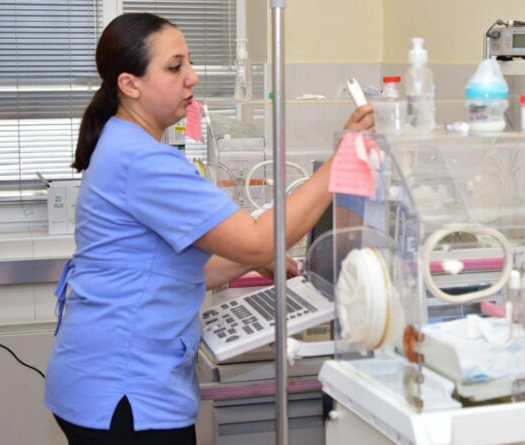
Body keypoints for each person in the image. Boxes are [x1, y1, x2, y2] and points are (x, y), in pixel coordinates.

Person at [44, 13, 374, 444]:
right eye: (174, 67)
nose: (192, 77)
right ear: (130, 84)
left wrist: (248, 262)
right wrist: (342, 159)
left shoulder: (124, 143)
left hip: (100, 381)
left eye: (190, 62)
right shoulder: (142, 160)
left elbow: (175, 269)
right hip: (124, 393)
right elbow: (260, 240)